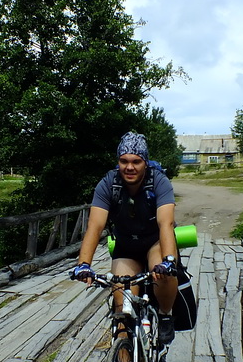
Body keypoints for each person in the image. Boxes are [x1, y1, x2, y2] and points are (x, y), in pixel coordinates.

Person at [72, 131, 179, 346]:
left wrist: (169, 261)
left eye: (136, 161)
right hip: (126, 246)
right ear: (118, 162)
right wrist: (83, 264)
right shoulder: (108, 184)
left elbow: (165, 223)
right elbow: (95, 226)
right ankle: (123, 357)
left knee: (162, 273)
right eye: (124, 161)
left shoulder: (159, 182)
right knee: (121, 310)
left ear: (145, 162)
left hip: (154, 242)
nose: (129, 167)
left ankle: (165, 314)